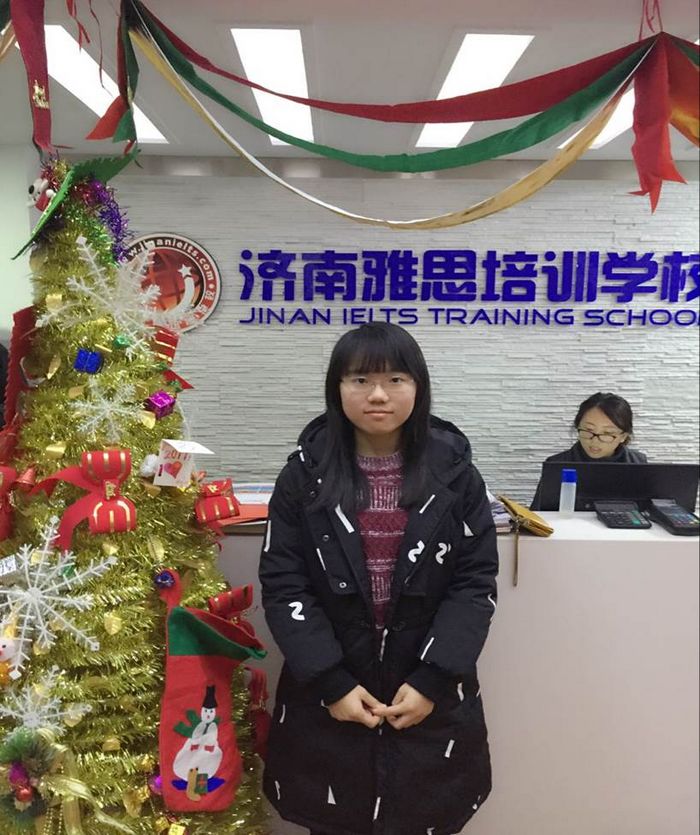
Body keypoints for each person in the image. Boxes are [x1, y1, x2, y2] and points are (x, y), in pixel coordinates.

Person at [259, 322, 498, 835]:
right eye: (360, 380)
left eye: (395, 379)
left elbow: (474, 584)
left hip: (427, 696)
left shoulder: (456, 475)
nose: (378, 395)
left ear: (418, 386)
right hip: (333, 694)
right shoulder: (303, 476)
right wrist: (331, 683)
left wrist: (433, 679)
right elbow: (284, 583)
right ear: (337, 388)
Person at [530, 391, 648, 510]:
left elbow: (647, 512)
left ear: (623, 436)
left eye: (607, 433)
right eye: (588, 430)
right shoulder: (557, 464)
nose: (595, 441)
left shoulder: (638, 464)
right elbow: (536, 516)